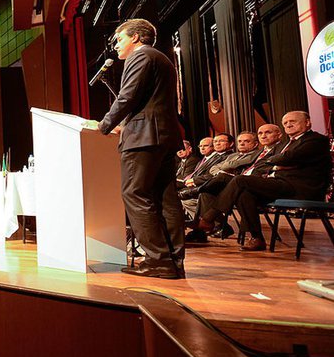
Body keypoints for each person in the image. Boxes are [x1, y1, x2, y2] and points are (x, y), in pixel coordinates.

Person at [97, 18, 185, 279]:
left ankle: (158, 260)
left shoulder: (141, 56)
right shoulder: (161, 58)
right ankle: (173, 261)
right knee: (166, 199)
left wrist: (105, 124)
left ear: (135, 37)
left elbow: (128, 96)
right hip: (164, 137)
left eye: (120, 39)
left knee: (135, 194)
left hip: (145, 137)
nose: (117, 46)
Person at [193, 111, 332, 251]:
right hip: (281, 183)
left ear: (307, 122)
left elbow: (289, 157)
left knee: (240, 180)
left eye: (293, 121)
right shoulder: (284, 144)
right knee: (244, 194)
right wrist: (280, 162)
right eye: (285, 123)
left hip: (300, 188)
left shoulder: (316, 139)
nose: (288, 125)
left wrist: (278, 161)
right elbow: (275, 159)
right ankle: (257, 238)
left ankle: (208, 219)